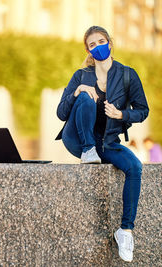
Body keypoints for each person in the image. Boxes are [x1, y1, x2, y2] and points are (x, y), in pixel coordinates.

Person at [56, 26, 149, 262]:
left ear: (110, 42)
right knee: (86, 97)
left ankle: (125, 231)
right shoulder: (81, 75)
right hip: (77, 139)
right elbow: (61, 112)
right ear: (87, 50)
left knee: (134, 167)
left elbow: (142, 111)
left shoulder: (128, 75)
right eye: (92, 44)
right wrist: (78, 91)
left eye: (102, 41)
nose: (98, 46)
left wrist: (121, 115)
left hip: (107, 142)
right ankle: (88, 150)